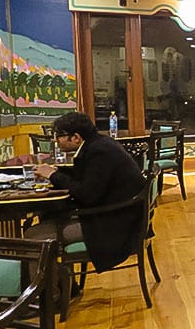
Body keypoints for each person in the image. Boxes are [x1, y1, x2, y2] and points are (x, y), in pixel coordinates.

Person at [29, 112, 147, 273]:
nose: (55, 140)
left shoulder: (99, 151)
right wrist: (56, 172)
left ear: (76, 137)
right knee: (47, 218)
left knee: (34, 237)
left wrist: (53, 175)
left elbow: (87, 195)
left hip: (116, 225)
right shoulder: (99, 144)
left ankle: (48, 288)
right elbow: (88, 179)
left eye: (58, 136)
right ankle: (62, 284)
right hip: (118, 214)